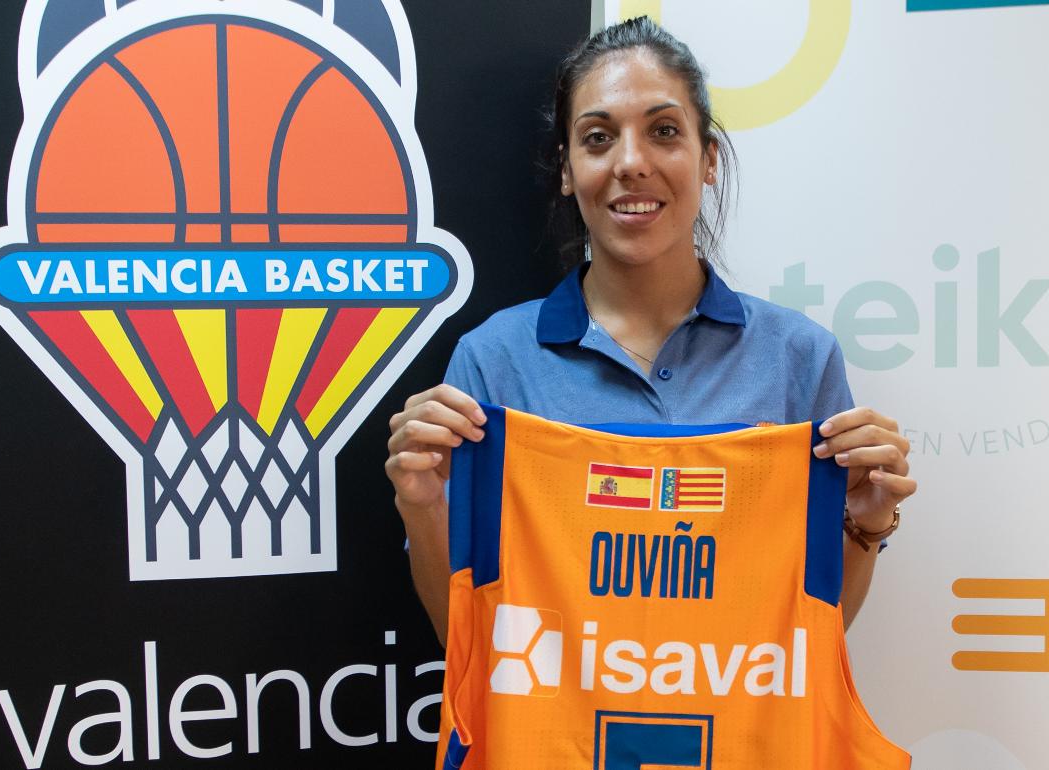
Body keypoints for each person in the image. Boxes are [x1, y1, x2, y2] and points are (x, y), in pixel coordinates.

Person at [386, 17, 916, 644]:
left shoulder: (799, 358)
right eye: (598, 137)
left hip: (739, 739)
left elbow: (810, 643)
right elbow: (466, 640)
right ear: (567, 168)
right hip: (560, 743)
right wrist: (422, 508)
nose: (631, 163)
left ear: (707, 158)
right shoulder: (493, 361)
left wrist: (863, 520)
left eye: (664, 132)